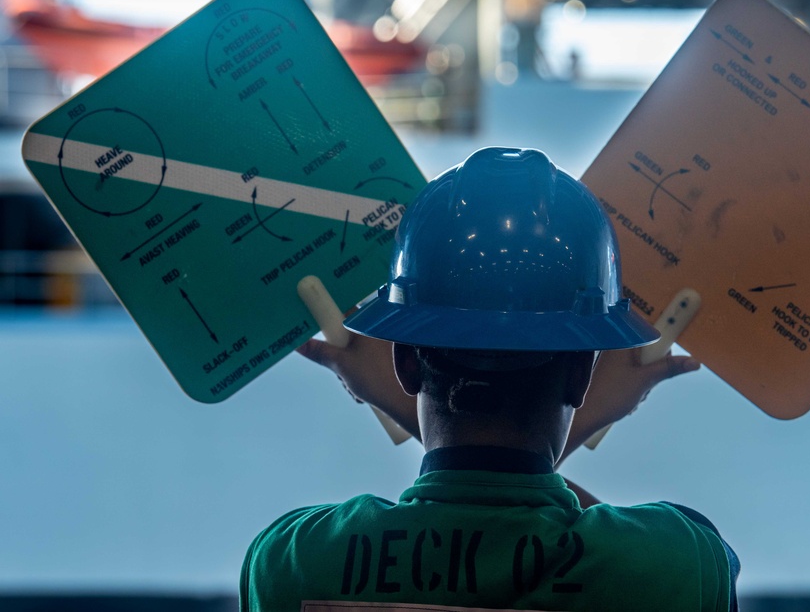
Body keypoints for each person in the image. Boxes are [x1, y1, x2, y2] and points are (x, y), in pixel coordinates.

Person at [240, 147, 739, 611]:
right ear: (581, 376)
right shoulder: (680, 565)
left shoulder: (293, 564)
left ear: (406, 365)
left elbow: (475, 510)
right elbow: (522, 515)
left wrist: (407, 404)